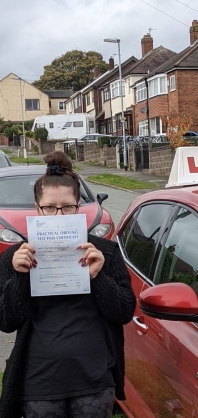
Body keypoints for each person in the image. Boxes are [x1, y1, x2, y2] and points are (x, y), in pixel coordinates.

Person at [0, 151, 136, 418]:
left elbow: (124, 312)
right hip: (39, 381)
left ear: (79, 208)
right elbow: (6, 321)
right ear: (37, 209)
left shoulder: (104, 252)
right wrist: (19, 276)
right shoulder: (14, 258)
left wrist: (97, 277)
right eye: (49, 207)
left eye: (68, 207)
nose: (58, 215)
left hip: (93, 380)